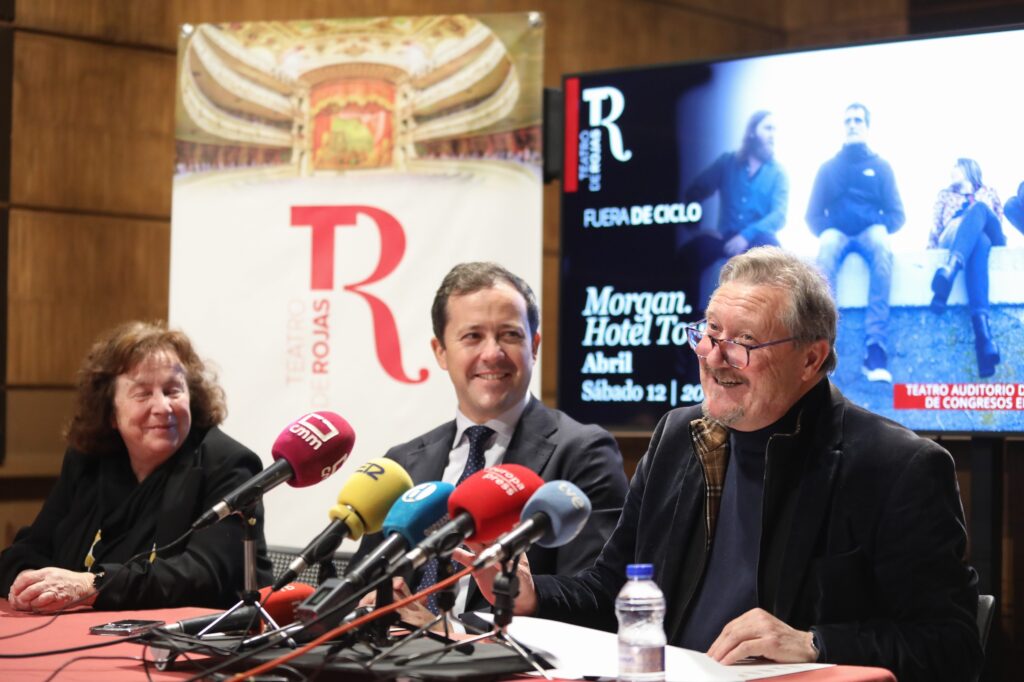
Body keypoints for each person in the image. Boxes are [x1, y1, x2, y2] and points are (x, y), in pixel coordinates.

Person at [457, 247, 982, 682]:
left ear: (811, 359)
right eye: (709, 333)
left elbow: (951, 645)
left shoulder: (899, 467)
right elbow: (610, 593)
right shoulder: (677, 437)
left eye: (744, 343)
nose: (712, 356)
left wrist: (814, 642)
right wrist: (528, 593)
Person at [353, 262, 628, 620]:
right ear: (440, 351)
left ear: (535, 346)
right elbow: (364, 585)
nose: (492, 353)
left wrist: (448, 631)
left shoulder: (583, 452)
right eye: (472, 336)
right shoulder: (404, 462)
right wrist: (373, 603)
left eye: (510, 335)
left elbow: (599, 597)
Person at [0, 321, 273, 611]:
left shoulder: (228, 464)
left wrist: (90, 586)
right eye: (143, 394)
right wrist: (28, 582)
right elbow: (29, 548)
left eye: (173, 390)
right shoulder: (88, 460)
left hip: (195, 643)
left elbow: (203, 576)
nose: (163, 407)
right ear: (110, 412)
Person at [806, 103, 905, 383]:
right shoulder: (828, 168)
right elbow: (812, 215)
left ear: (867, 126)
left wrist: (869, 220)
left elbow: (897, 215)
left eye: (858, 120)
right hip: (836, 232)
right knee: (824, 249)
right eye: (848, 119)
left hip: (870, 232)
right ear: (843, 125)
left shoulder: (881, 167)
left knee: (882, 244)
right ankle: (823, 343)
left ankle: (875, 348)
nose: (852, 124)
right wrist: (834, 225)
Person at [682, 110, 789, 308]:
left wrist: (746, 235)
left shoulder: (778, 173)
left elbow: (779, 215)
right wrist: (696, 229)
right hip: (723, 238)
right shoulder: (727, 162)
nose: (773, 134)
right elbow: (694, 192)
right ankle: (689, 320)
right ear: (752, 132)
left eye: (775, 129)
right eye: (768, 128)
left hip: (758, 240)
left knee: (777, 260)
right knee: (687, 254)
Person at [927, 158, 1006, 378]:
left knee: (979, 212)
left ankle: (950, 271)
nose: (951, 172)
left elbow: (997, 221)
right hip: (954, 235)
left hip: (989, 230)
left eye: (956, 168)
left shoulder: (989, 192)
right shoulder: (944, 195)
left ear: (969, 170)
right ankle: (984, 338)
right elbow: (935, 228)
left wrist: (975, 215)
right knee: (979, 241)